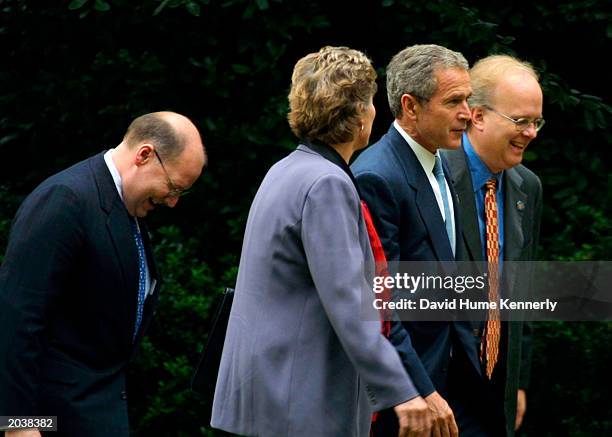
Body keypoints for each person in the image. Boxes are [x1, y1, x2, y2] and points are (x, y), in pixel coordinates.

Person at [211, 46, 432, 437]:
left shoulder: (285, 169)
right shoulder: (326, 184)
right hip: (297, 403)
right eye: (371, 103)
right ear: (360, 114)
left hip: (266, 395)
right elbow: (350, 303)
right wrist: (401, 391)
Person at [0, 111, 206, 437]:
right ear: (144, 155)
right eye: (173, 187)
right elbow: (17, 317)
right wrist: (18, 426)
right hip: (53, 422)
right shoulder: (65, 200)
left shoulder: (125, 206)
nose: (172, 202)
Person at [352, 44, 480, 436]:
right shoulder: (377, 176)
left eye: (468, 100)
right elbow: (382, 304)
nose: (467, 114)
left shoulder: (444, 163)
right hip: (408, 399)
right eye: (454, 101)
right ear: (410, 106)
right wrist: (419, 388)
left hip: (451, 380)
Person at [442, 54, 543, 436]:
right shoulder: (437, 175)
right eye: (520, 121)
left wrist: (517, 381)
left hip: (495, 390)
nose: (531, 132)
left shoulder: (527, 187)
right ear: (478, 116)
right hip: (440, 388)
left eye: (536, 122)